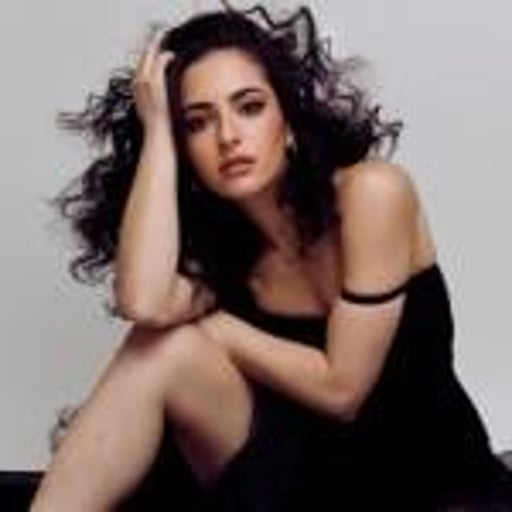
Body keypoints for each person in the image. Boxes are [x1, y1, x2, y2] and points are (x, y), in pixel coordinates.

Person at [31, 3, 512, 511]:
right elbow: (144, 303)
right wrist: (157, 135)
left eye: (250, 107)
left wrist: (216, 329)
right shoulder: (224, 250)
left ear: (288, 119)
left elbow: (342, 391)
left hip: (434, 487)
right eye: (197, 123)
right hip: (307, 488)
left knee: (178, 337)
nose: (228, 136)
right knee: (158, 347)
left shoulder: (371, 193)